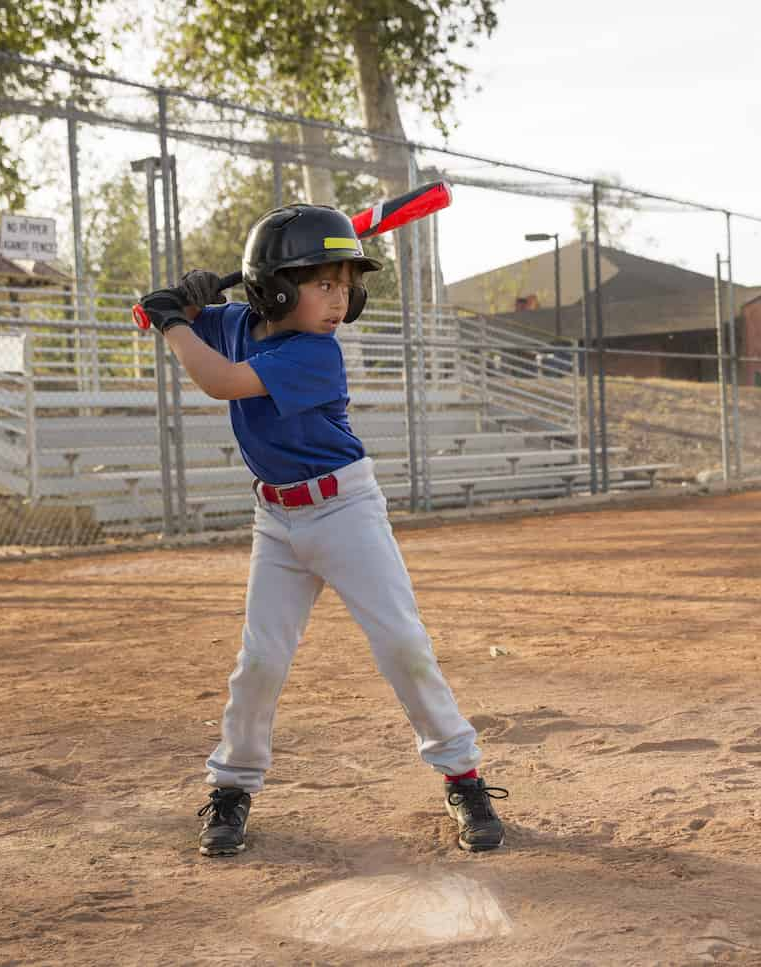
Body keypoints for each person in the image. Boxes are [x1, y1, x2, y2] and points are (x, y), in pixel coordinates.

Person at [136, 203, 508, 857]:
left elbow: (218, 379)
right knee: (260, 661)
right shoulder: (237, 322)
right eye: (323, 283)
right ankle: (231, 787)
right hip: (276, 520)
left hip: (344, 512)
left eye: (346, 286)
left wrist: (172, 322)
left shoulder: (315, 354)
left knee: (402, 644)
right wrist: (183, 302)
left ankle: (464, 775)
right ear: (275, 288)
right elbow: (187, 322)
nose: (341, 300)